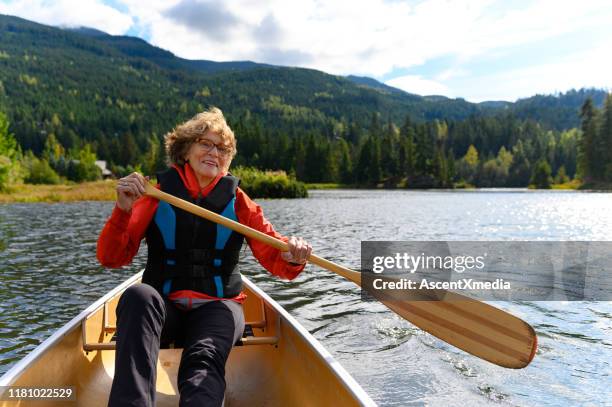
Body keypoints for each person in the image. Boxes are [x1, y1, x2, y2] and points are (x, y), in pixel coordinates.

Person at [97, 107, 312, 406]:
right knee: (138, 297)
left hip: (218, 306)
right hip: (164, 307)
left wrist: (294, 255)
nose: (214, 153)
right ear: (186, 150)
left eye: (222, 148)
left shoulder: (238, 201)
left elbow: (275, 255)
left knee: (204, 358)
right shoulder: (155, 195)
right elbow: (111, 258)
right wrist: (122, 210)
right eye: (205, 144)